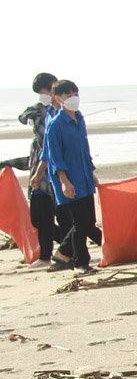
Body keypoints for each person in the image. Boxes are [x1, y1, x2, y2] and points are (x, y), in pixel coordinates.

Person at [39, 80, 101, 274]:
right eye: (68, 95)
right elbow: (55, 157)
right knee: (80, 222)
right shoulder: (55, 125)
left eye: (75, 93)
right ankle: (81, 262)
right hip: (68, 180)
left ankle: (62, 253)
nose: (74, 98)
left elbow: (84, 150)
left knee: (88, 221)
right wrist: (65, 182)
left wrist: (91, 173)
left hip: (83, 177)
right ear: (58, 99)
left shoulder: (79, 119)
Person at [20, 73, 61, 267]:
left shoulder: (56, 111)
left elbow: (50, 140)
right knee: (37, 218)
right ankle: (70, 245)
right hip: (40, 175)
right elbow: (23, 117)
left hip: (53, 174)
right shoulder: (38, 111)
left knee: (48, 216)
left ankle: (46, 256)